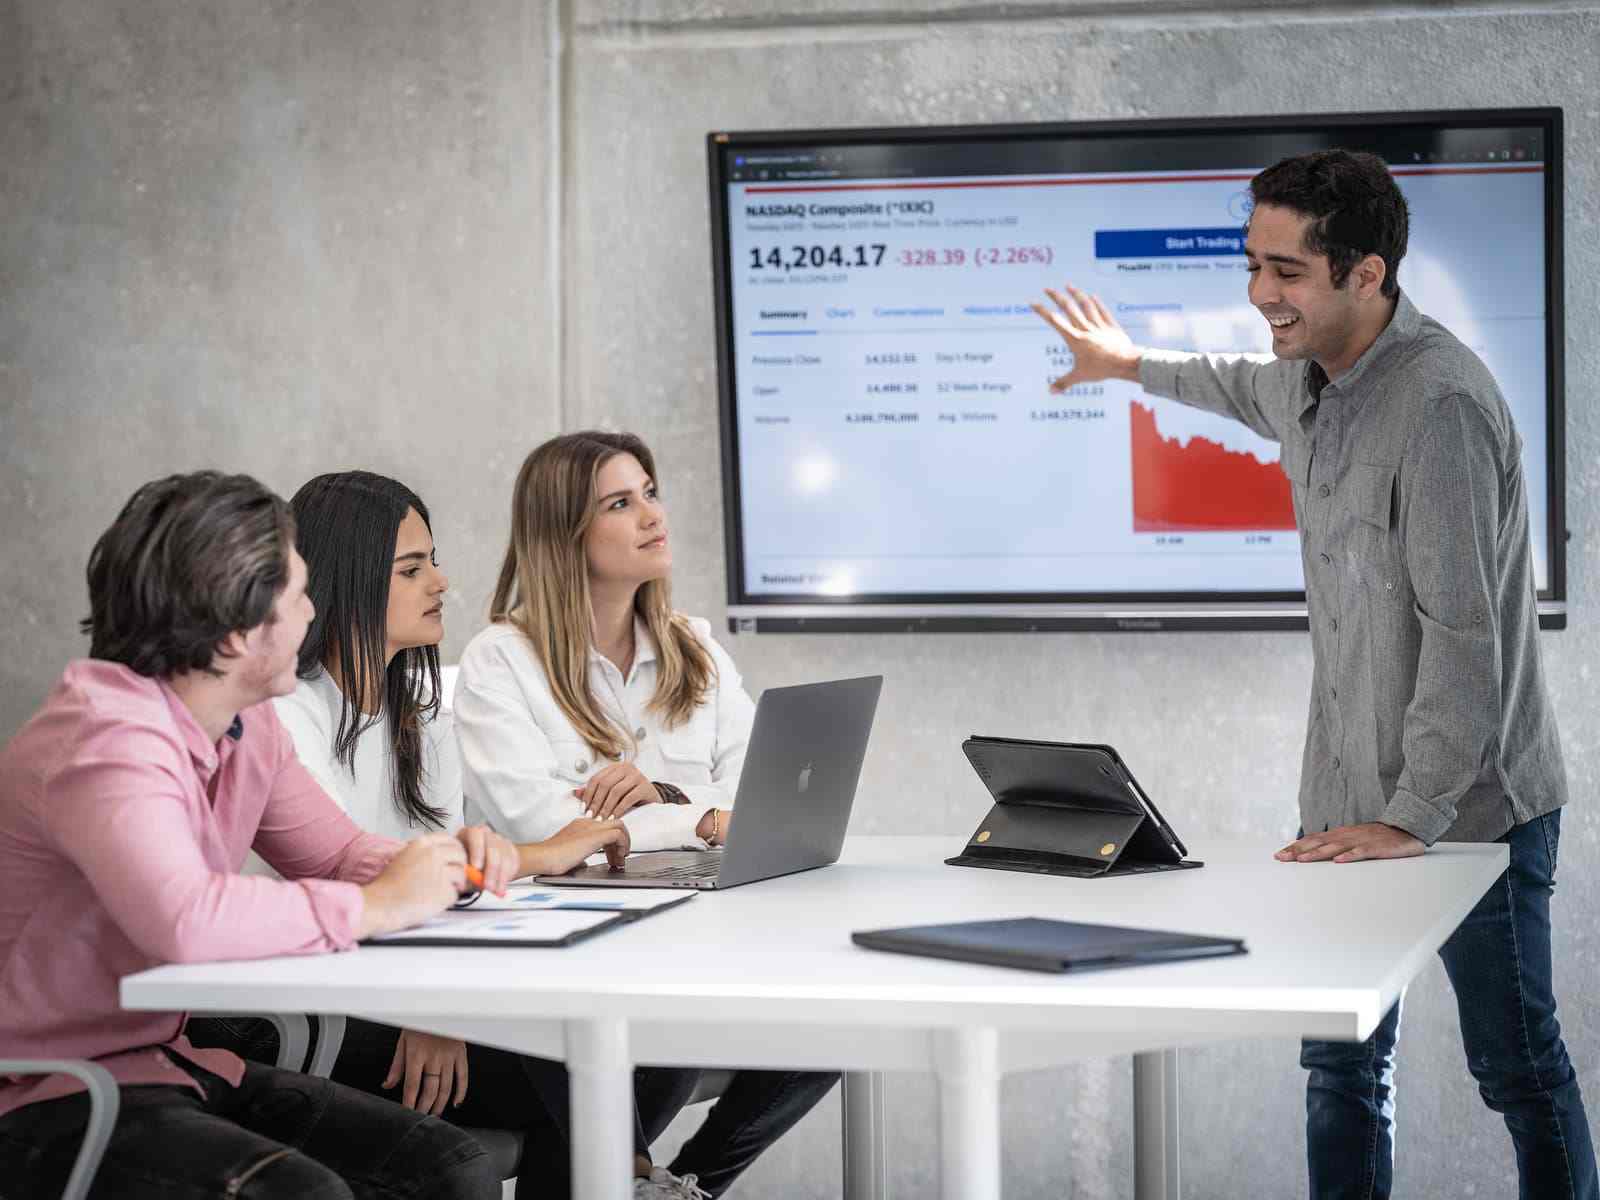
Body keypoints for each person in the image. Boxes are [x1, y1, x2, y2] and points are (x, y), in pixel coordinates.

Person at [1033, 149, 1595, 1200]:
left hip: (1471, 808)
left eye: (1285, 273)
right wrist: (1127, 366)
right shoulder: (1304, 381)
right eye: (1253, 265)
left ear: (1365, 274)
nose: (1258, 295)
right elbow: (1231, 383)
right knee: (1338, 1063)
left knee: (1515, 1068)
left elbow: (1467, 636)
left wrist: (1413, 812)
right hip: (1344, 794)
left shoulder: (1441, 408)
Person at [0, 471, 499, 1200]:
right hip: (45, 1094)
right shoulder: (105, 737)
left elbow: (337, 855)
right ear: (239, 630)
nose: (312, 612)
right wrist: (378, 907)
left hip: (167, 1063)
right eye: (298, 594)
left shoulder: (247, 723)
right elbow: (185, 919)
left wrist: (450, 865)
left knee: (452, 1170)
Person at [248, 468, 708, 1200]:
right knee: (583, 1060)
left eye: (433, 561)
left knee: (648, 1044)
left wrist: (451, 1001)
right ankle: (634, 1180)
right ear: (347, 579)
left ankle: (631, 1179)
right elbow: (359, 879)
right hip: (344, 1002)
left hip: (426, 984)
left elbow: (442, 879)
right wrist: (434, 1008)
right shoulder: (287, 714)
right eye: (412, 568)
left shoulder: (423, 711)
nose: (441, 582)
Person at [454, 431, 840, 1198]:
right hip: (571, 966)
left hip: (701, 940)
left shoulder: (694, 647)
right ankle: (627, 1179)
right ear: (567, 534)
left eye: (651, 493)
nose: (652, 516)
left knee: (839, 1019)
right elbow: (543, 830)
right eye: (621, 503)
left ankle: (682, 1185)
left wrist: (660, 805)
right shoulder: (502, 661)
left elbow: (755, 793)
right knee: (654, 1039)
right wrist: (699, 819)